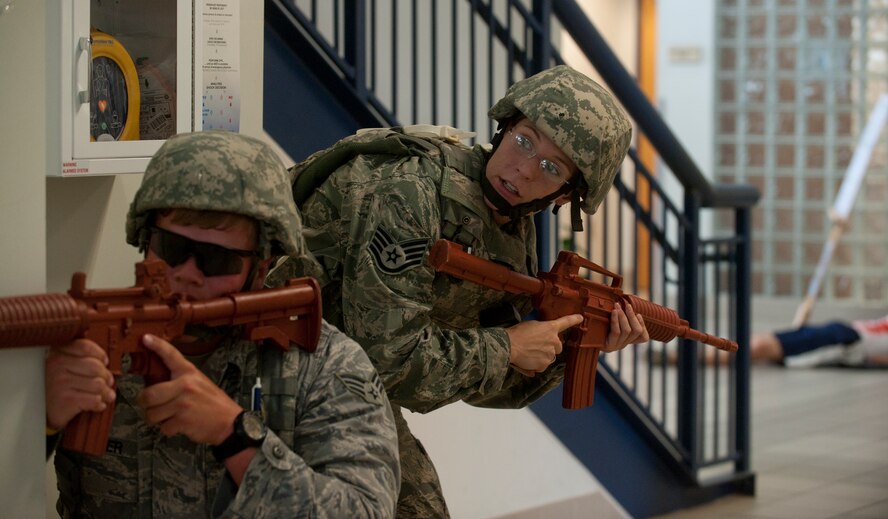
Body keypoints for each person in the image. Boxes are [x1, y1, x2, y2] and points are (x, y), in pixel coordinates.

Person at [268, 65, 650, 517]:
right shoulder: (410, 191)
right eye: (524, 140)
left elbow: (488, 388)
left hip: (338, 366)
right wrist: (506, 346)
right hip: (267, 351)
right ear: (504, 126)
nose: (524, 169)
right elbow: (393, 364)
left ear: (567, 196)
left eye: (551, 167)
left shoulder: (510, 228)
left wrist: (573, 343)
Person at [44, 131, 400, 518]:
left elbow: (364, 511)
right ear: (145, 240)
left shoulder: (323, 365)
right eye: (172, 248)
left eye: (217, 260)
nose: (188, 274)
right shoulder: (89, 344)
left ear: (261, 268)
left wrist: (233, 435)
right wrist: (40, 422)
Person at [750, 315, 888, 368]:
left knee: (765, 346)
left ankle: (730, 347)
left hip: (847, 340)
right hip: (845, 338)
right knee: (763, 346)